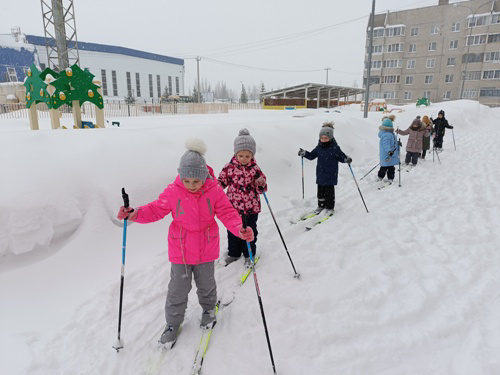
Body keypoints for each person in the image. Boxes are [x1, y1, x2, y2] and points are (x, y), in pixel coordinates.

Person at [116, 139, 254, 348]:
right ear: (181, 176)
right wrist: (134, 214)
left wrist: (240, 229)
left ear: (203, 177)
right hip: (179, 249)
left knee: (206, 285)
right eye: (187, 180)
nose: (191, 185)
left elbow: (227, 213)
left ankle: (208, 309)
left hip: (206, 248)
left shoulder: (214, 191)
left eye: (195, 181)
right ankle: (172, 323)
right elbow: (155, 209)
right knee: (178, 289)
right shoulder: (174, 191)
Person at [218, 128, 267, 268]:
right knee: (233, 231)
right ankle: (234, 253)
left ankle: (249, 254)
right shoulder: (229, 168)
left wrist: (261, 183)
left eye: (247, 156)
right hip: (233, 208)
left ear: (252, 155)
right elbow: (221, 181)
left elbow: (262, 186)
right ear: (235, 154)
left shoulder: (255, 169)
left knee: (250, 231)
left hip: (251, 208)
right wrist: (214, 187)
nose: (244, 159)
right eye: (241, 155)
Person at [298, 122, 351, 215]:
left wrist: (346, 159)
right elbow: (311, 156)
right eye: (322, 138)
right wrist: (304, 153)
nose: (323, 140)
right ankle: (321, 205)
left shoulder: (335, 148)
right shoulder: (319, 148)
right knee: (320, 192)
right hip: (320, 173)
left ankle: (330, 207)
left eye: (326, 138)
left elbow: (341, 157)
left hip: (331, 174)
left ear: (330, 138)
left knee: (329, 192)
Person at [377, 117, 399, 182]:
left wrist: (398, 145)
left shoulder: (390, 134)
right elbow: (386, 144)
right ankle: (380, 177)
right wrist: (389, 151)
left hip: (391, 154)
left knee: (391, 167)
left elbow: (393, 143)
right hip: (387, 154)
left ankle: (390, 178)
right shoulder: (387, 135)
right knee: (384, 167)